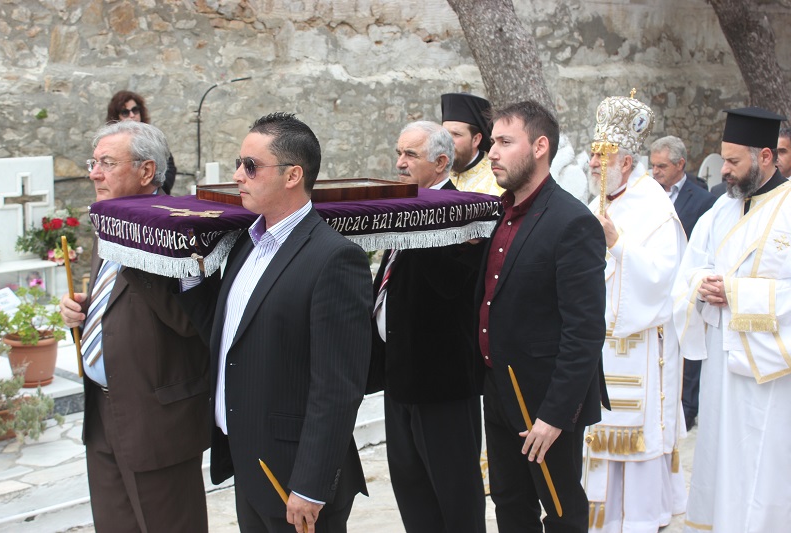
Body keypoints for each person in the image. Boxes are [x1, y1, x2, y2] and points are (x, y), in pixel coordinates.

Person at [178, 112, 373, 533]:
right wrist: (189, 274)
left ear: (292, 175)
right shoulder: (244, 245)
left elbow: (337, 387)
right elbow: (230, 336)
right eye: (239, 163)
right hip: (249, 463)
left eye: (251, 166)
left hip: (295, 479)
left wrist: (311, 486)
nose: (237, 176)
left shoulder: (335, 259)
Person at [59, 120, 210, 532]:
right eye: (93, 163)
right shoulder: (110, 219)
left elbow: (192, 322)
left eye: (107, 163)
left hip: (156, 421)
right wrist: (81, 312)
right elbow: (118, 303)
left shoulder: (183, 226)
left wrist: (136, 250)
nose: (94, 173)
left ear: (146, 171)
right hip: (102, 414)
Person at [478, 100, 608, 532]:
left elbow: (584, 330)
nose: (492, 152)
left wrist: (554, 416)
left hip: (545, 401)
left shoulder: (572, 221)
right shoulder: (499, 214)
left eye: (504, 142)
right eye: (492, 142)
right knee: (509, 504)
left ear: (539, 147)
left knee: (560, 510)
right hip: (498, 389)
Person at [673, 106, 791, 533]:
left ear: (765, 157)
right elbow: (690, 269)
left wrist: (736, 294)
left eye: (733, 161)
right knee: (723, 457)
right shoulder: (720, 210)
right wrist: (701, 285)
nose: (723, 170)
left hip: (771, 369)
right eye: (724, 159)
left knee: (765, 461)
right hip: (722, 363)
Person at [371, 121, 486, 533]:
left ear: (440, 162)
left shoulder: (464, 211)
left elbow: (451, 284)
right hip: (399, 377)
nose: (400, 163)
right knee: (412, 492)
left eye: (410, 155)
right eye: (398, 153)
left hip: (442, 386)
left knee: (454, 496)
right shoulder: (407, 208)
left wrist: (417, 224)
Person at [583, 95, 687, 531]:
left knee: (636, 443)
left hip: (640, 346)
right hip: (597, 344)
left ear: (626, 162)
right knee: (596, 437)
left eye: (601, 156)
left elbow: (666, 277)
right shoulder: (599, 201)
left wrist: (618, 243)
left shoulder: (654, 205)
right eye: (591, 154)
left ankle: (640, 521)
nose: (592, 163)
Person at [649, 135, 716, 431]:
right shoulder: (647, 196)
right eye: (653, 166)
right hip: (656, 284)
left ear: (680, 165)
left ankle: (687, 408)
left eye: (662, 166)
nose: (655, 172)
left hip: (685, 286)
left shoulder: (703, 201)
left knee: (687, 346)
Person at [106, 90, 177, 195]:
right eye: (125, 112)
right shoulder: (110, 143)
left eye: (135, 110)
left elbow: (169, 167)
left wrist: (155, 189)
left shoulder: (152, 138)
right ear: (117, 117)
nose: (132, 115)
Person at [441, 92, 503, 196]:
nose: (447, 141)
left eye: (456, 134)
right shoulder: (433, 171)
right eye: (444, 134)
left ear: (476, 139)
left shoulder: (498, 178)